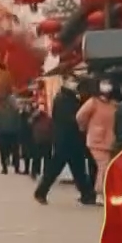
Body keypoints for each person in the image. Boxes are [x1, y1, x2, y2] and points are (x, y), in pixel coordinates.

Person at [36, 71, 99, 205]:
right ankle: (41, 192)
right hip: (66, 140)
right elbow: (71, 119)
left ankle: (87, 195)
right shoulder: (64, 99)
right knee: (56, 168)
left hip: (70, 139)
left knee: (79, 169)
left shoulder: (68, 98)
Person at [78, 77, 118, 195]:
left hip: (111, 141)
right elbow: (80, 116)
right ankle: (100, 192)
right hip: (97, 141)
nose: (107, 86)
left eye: (109, 83)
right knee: (104, 166)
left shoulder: (114, 104)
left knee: (107, 167)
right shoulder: (93, 102)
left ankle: (103, 191)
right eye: (104, 83)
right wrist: (85, 128)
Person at [0, 89, 31, 174]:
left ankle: (5, 168)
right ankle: (16, 168)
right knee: (15, 151)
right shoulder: (14, 109)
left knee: (3, 151)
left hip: (3, 133)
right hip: (13, 133)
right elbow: (18, 120)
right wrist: (18, 129)